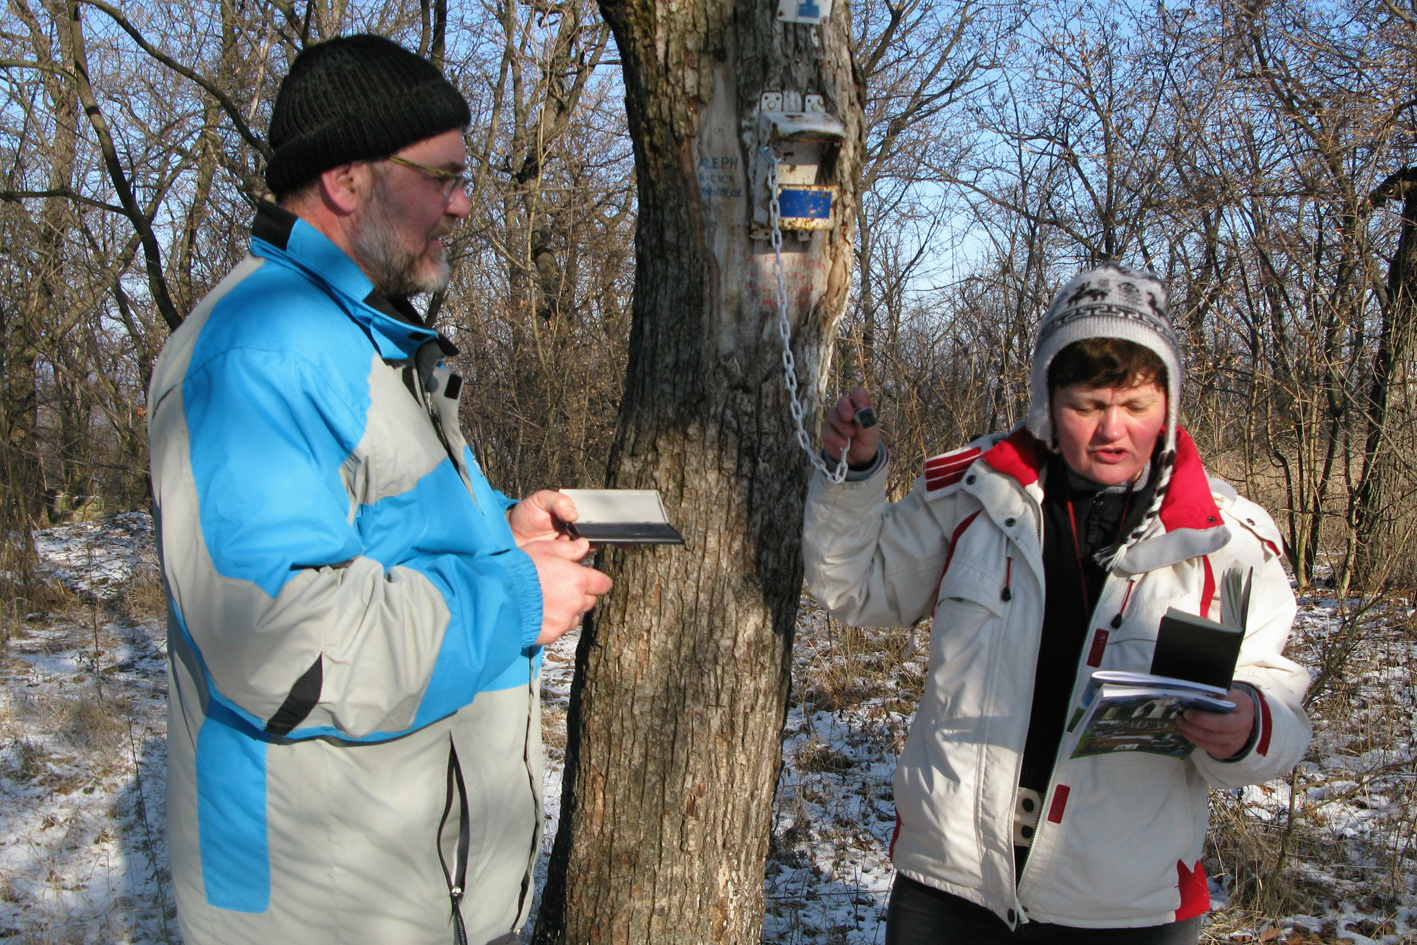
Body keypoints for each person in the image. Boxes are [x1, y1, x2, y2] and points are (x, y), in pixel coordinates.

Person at [147, 34, 612, 945]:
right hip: (320, 912)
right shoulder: (261, 352)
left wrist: (502, 534)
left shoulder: (361, 337)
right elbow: (285, 646)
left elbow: (380, 534)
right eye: (440, 177)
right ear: (347, 179)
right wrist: (515, 594)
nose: (463, 203)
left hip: (402, 889)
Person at [803, 264, 1311, 943]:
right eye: (1085, 405)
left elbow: (1278, 705)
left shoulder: (1228, 540)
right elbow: (854, 585)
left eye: (1134, 406)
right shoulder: (974, 493)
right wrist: (854, 474)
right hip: (950, 886)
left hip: (1121, 906)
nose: (1111, 429)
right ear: (1047, 399)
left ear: (1168, 403)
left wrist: (1249, 724)